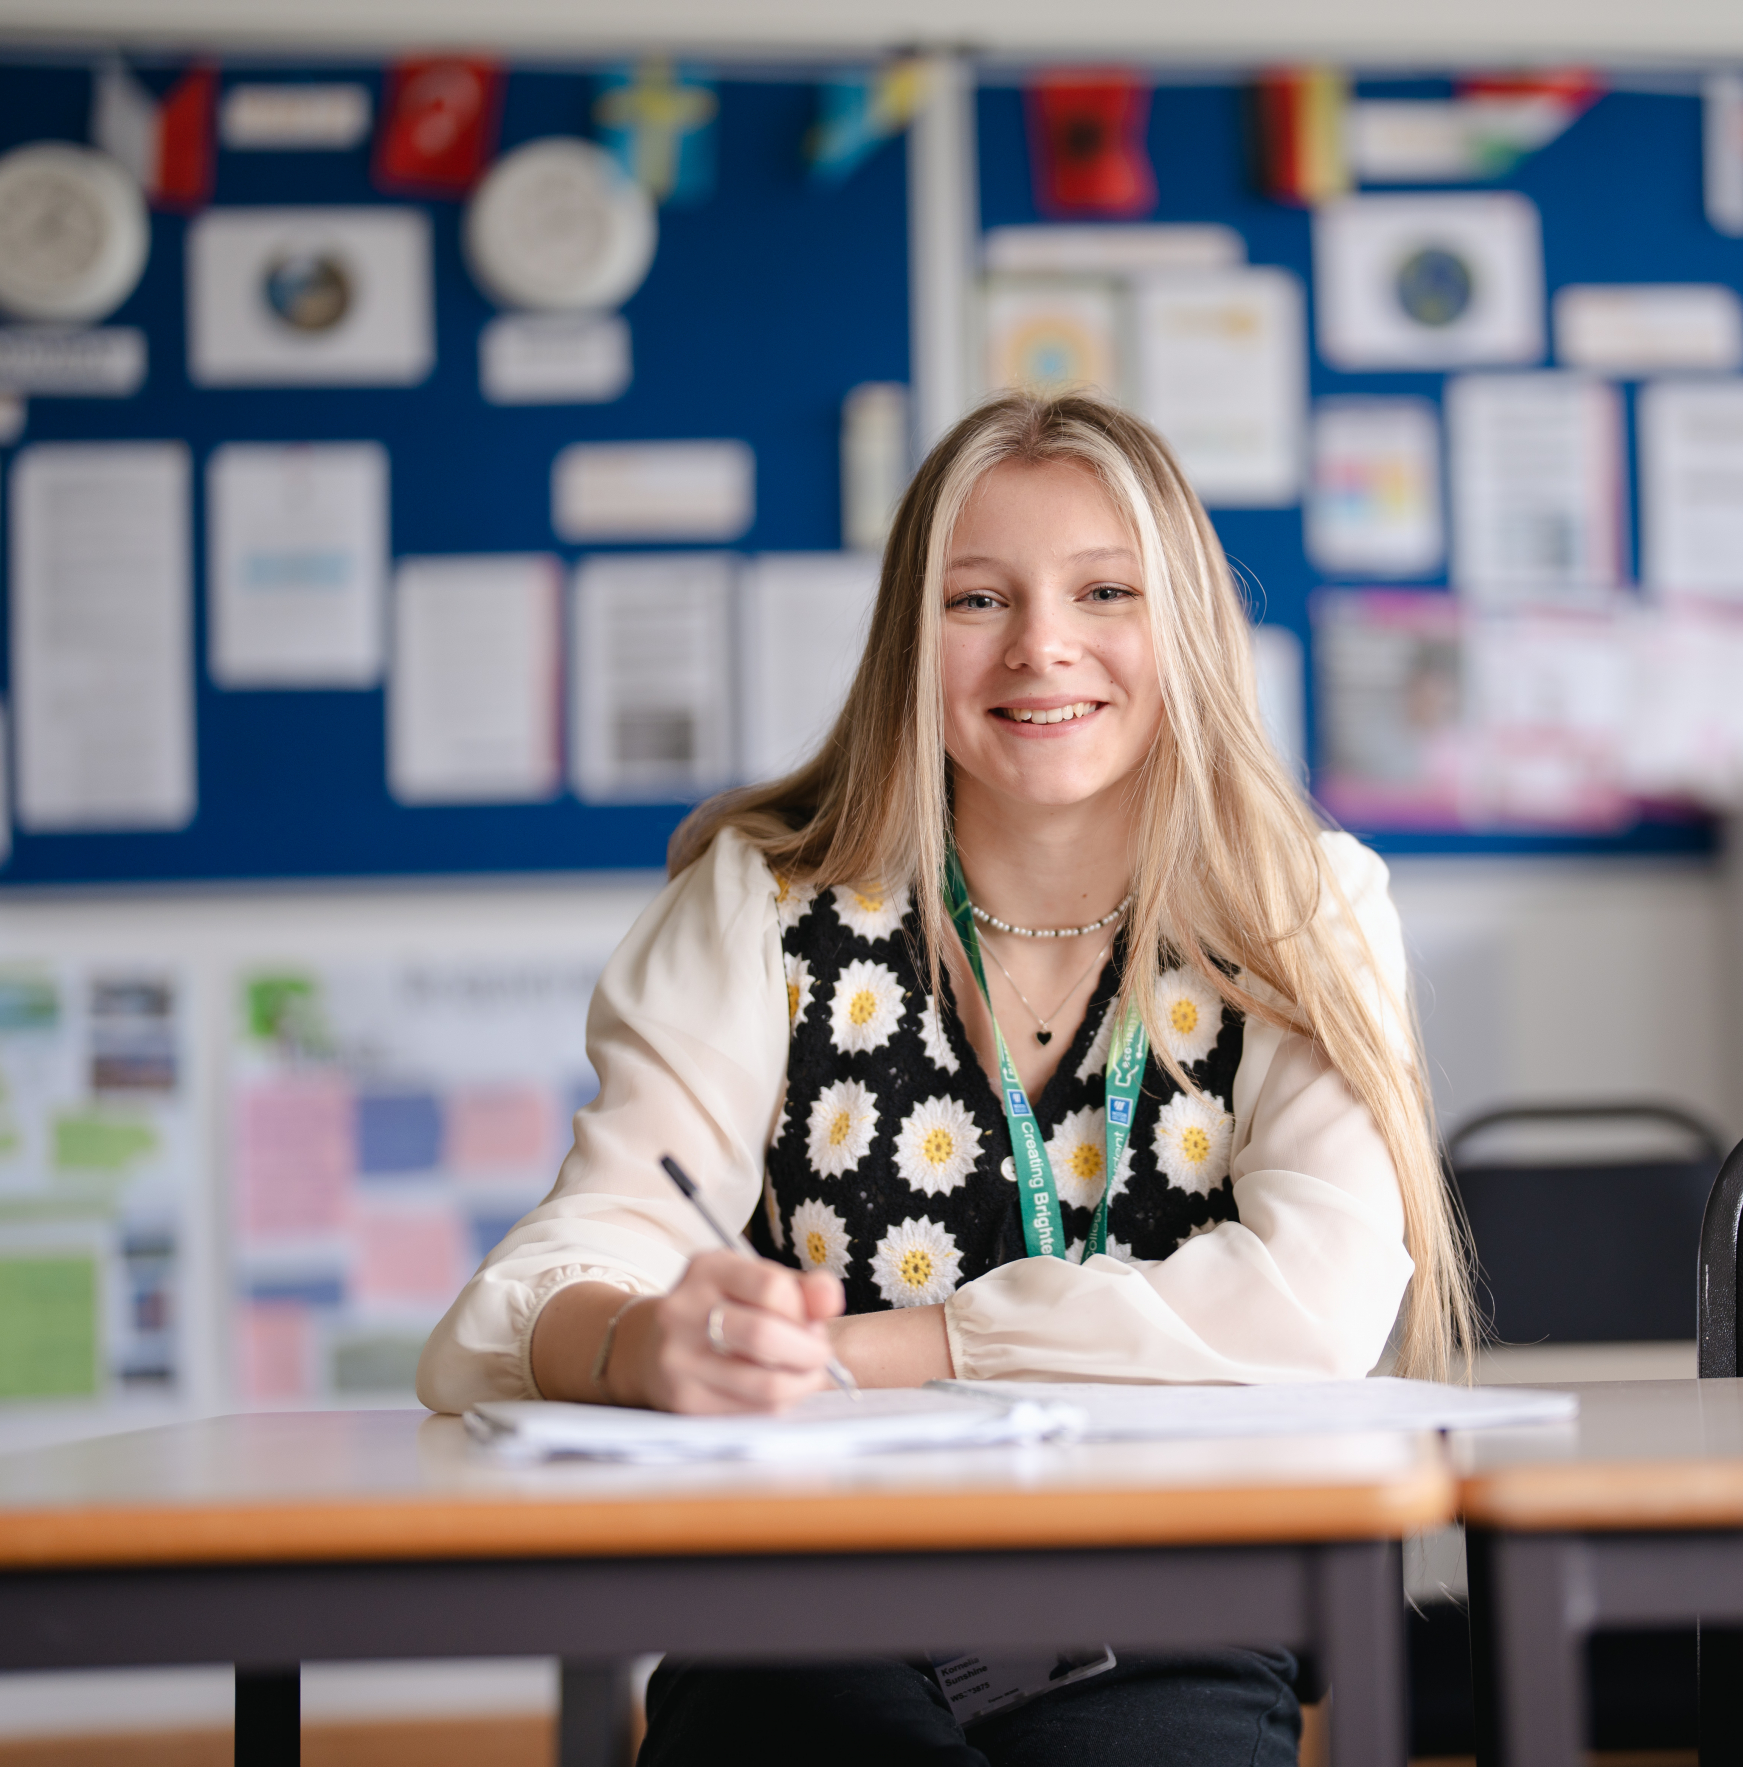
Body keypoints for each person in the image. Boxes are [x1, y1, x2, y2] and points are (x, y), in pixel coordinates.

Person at [418, 390, 1473, 1766]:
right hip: (804, 1596)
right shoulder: (761, 907)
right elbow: (538, 1283)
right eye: (977, 600)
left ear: (1192, 629)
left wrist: (893, 1352)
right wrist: (635, 1341)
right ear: (908, 644)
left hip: (1172, 1597)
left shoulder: (1299, 908)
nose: (1042, 647)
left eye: (1106, 590)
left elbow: (1314, 1304)